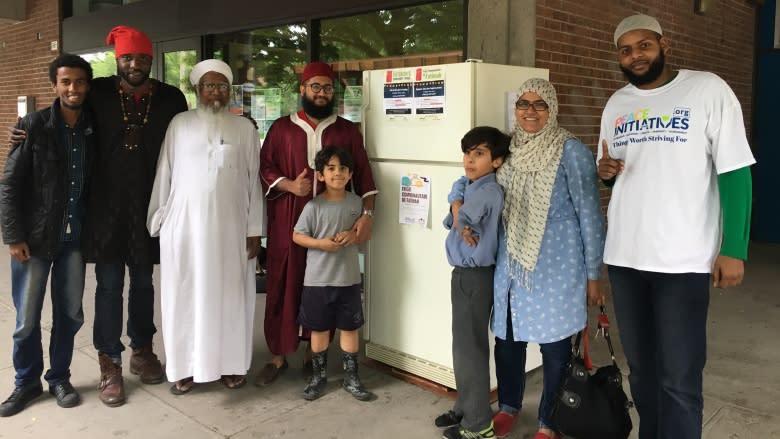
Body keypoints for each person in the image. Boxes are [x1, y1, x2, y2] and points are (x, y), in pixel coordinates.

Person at [597, 15, 755, 439]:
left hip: (682, 261)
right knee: (643, 369)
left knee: (680, 375)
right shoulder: (617, 103)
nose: (636, 56)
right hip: (625, 258)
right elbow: (612, 169)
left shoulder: (707, 89)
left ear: (663, 44)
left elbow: (736, 173)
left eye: (644, 45)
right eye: (626, 50)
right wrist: (606, 172)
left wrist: (734, 246)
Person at [450, 78, 606, 439]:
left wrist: (594, 273)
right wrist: (458, 203)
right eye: (524, 103)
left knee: (554, 346)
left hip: (557, 262)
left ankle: (549, 422)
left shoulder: (571, 151)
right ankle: (508, 406)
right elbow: (471, 178)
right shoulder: (507, 147)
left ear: (551, 109)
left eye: (540, 104)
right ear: (515, 107)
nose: (530, 111)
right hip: (510, 260)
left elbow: (590, 214)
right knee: (508, 340)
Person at [147, 59, 265, 394]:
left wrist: (254, 228)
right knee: (185, 295)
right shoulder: (179, 124)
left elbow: (252, 183)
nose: (216, 91)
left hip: (232, 230)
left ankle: (229, 365)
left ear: (230, 91)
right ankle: (184, 367)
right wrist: (160, 219)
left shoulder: (244, 129)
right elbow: (164, 172)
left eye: (222, 86)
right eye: (209, 86)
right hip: (185, 229)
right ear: (198, 90)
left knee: (229, 296)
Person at [258, 61, 377, 386]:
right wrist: (286, 184)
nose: (321, 93)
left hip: (331, 222)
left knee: (320, 288)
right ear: (303, 89)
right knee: (284, 282)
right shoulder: (282, 128)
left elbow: (364, 174)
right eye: (315, 87)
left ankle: (314, 355)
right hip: (289, 220)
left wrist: (367, 216)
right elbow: (264, 165)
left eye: (327, 88)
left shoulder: (346, 130)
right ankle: (278, 355)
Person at [0, 54, 95, 416]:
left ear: (88, 85)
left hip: (73, 239)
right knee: (27, 319)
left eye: (80, 82)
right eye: (66, 82)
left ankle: (59, 377)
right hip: (35, 240)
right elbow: (9, 185)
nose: (73, 89)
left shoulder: (92, 126)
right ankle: (26, 383)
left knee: (70, 315)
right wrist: (13, 235)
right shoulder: (34, 125)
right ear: (54, 86)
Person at [434, 127, 510, 439]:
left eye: (479, 154)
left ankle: (479, 425)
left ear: (497, 161)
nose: (469, 160)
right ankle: (466, 406)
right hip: (464, 275)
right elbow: (457, 193)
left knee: (471, 350)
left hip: (475, 277)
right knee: (462, 346)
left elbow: (462, 216)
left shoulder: (489, 191)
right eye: (467, 153)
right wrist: (457, 204)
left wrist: (458, 211)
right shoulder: (470, 183)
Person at [292, 147, 375, 402]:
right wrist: (321, 244)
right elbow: (297, 235)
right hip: (317, 281)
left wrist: (353, 235)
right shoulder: (313, 207)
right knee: (318, 330)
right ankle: (318, 377)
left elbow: (364, 234)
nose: (337, 173)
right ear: (320, 175)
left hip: (348, 280)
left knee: (349, 329)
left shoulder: (357, 204)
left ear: (350, 175)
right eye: (331, 168)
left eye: (342, 169)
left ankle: (352, 378)